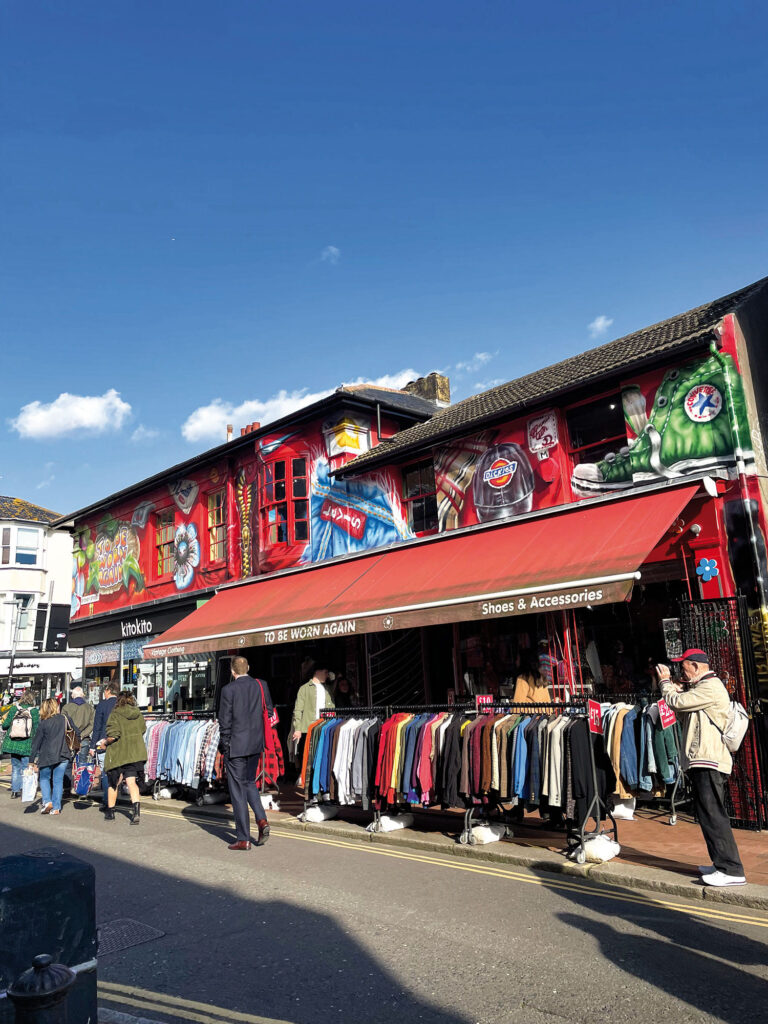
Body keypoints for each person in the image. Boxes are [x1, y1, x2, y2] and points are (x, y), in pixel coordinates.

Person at [657, 649, 746, 887]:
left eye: (683, 666)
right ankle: (720, 864)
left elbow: (675, 702)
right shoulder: (700, 688)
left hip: (709, 759)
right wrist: (679, 689)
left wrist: (665, 683)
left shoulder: (711, 686)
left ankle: (731, 869)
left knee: (713, 814)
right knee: (707, 814)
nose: (680, 671)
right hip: (703, 759)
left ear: (696, 667)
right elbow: (683, 711)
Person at [218, 656, 274, 851]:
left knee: (237, 792)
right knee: (249, 783)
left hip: (236, 746)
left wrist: (224, 746)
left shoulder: (228, 690)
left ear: (232, 672)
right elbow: (269, 712)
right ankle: (262, 820)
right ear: (248, 667)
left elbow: (224, 721)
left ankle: (243, 838)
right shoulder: (261, 685)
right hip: (256, 744)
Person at [97, 690, 147, 824]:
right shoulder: (137, 713)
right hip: (134, 753)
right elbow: (143, 729)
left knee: (114, 782)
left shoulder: (115, 714)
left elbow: (114, 735)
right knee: (131, 782)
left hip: (119, 754)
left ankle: (110, 812)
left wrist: (104, 743)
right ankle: (136, 812)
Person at [29, 698, 78, 815]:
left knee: (44, 778)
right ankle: (56, 808)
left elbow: (36, 743)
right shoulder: (65, 719)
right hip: (64, 754)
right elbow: (76, 732)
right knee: (58, 781)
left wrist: (31, 760)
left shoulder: (43, 723)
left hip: (47, 756)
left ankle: (47, 802)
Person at [291, 663, 335, 785]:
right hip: (308, 729)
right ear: (317, 671)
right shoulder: (304, 688)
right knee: (308, 757)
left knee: (322, 756)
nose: (327, 675)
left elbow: (332, 708)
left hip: (324, 727)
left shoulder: (327, 689)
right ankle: (307, 780)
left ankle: (319, 784)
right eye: (325, 672)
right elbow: (298, 710)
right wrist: (298, 729)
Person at [2, 692, 40, 798]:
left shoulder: (14, 709)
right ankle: (25, 789)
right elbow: (37, 728)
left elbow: (5, 725)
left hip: (13, 743)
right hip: (27, 743)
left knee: (15, 767)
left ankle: (14, 791)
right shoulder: (34, 712)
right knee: (25, 767)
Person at [90, 683, 118, 809]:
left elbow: (97, 727)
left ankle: (108, 800)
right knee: (118, 771)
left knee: (106, 772)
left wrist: (92, 746)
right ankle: (116, 796)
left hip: (103, 742)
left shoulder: (102, 705)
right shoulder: (121, 704)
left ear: (107, 691)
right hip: (118, 742)